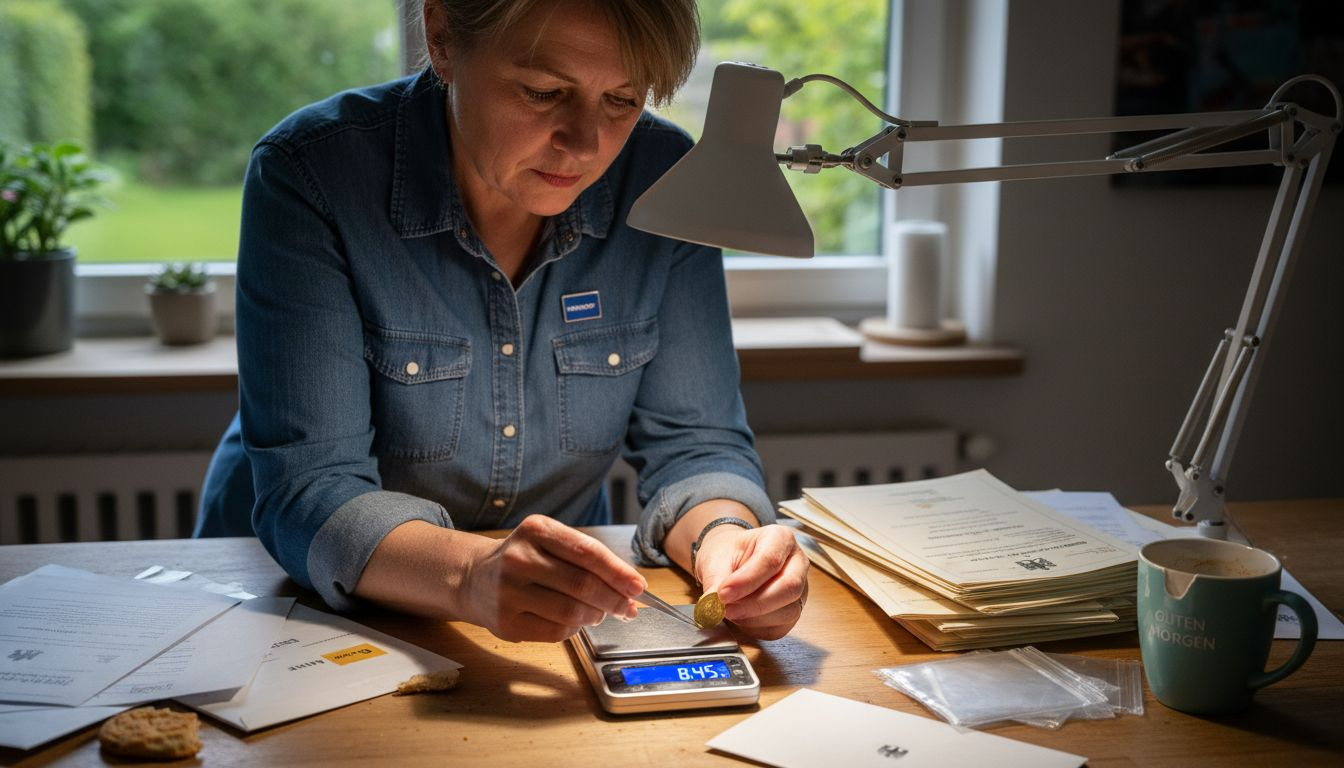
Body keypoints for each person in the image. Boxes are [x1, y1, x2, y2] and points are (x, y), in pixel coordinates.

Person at [197, 0, 809, 643]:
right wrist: (469, 576)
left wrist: (728, 544)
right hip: (291, 606)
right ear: (441, 38)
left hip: (550, 617)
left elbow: (697, 446)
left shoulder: (668, 183)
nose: (585, 144)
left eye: (622, 101)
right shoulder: (312, 173)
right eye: (544, 93)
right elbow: (313, 489)